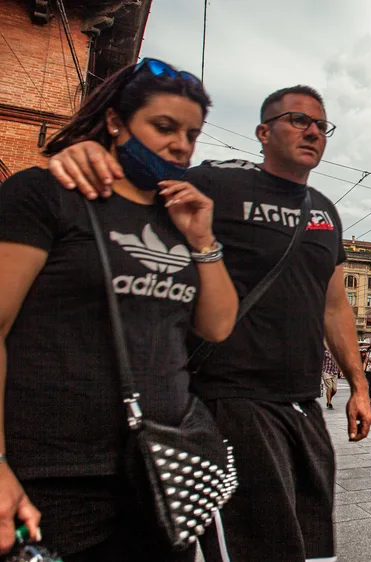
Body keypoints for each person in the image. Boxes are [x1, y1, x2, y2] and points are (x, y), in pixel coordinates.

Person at [49, 83, 371, 562]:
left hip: (302, 406)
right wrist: (90, 154)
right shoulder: (218, 182)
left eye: (321, 125)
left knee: (311, 551)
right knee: (254, 549)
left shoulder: (324, 211)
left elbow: (334, 305)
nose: (312, 131)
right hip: (229, 399)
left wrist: (359, 386)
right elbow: (135, 189)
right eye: (298, 120)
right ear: (263, 132)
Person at [0, 59, 239, 560]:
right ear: (115, 121)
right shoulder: (45, 196)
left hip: (161, 471)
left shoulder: (180, 218)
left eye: (192, 134)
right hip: (55, 476)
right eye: (164, 127)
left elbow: (216, 326)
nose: (180, 145)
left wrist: (202, 237)